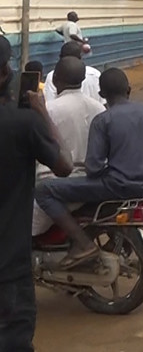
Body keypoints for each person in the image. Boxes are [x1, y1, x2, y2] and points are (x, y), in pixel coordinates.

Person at [36, 68, 143, 269]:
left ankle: (83, 244)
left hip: (116, 186)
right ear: (129, 90)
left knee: (43, 190)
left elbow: (94, 167)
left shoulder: (103, 120)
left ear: (102, 94)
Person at [0, 36, 72, 350]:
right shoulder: (23, 124)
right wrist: (41, 113)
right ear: (5, 73)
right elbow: (65, 165)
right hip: (8, 271)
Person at [31, 57, 106, 235]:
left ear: (55, 79)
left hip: (54, 186)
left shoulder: (48, 110)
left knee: (18, 227)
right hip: (88, 184)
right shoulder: (99, 109)